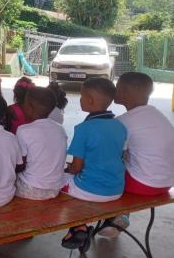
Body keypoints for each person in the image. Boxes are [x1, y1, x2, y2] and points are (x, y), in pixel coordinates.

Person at [99, 72, 174, 238]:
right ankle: (120, 216)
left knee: (99, 170)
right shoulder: (157, 115)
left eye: (117, 88)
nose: (114, 92)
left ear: (125, 92)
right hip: (166, 183)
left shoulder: (123, 122)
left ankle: (116, 216)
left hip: (144, 185)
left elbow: (107, 155)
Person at [61, 77, 127, 250]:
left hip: (89, 190)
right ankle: (92, 224)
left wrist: (68, 169)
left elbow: (77, 168)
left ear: (90, 100)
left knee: (55, 182)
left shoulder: (83, 129)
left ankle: (78, 226)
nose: (80, 100)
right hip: (116, 189)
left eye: (81, 96)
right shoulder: (120, 126)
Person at [15, 87, 67, 200]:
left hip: (30, 189)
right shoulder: (60, 129)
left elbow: (20, 165)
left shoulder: (23, 130)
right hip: (55, 188)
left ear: (29, 106)